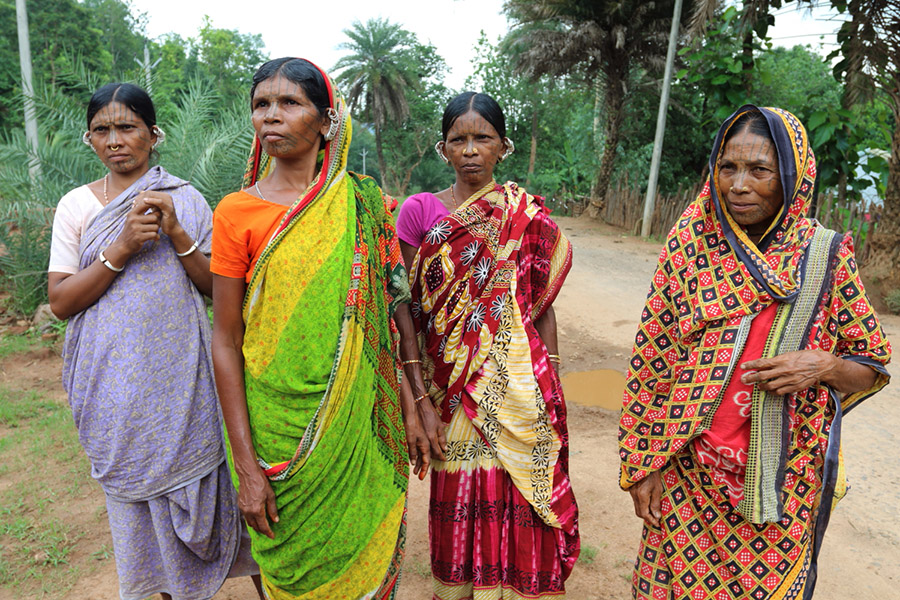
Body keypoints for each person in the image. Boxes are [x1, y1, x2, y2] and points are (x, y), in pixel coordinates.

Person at [618, 105, 891, 600]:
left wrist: (824, 365)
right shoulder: (689, 246)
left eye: (759, 170)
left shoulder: (825, 255)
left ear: (792, 176)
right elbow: (652, 362)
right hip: (687, 476)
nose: (738, 184)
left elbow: (870, 366)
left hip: (780, 489)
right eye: (728, 168)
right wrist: (645, 462)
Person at [210, 57, 439, 599]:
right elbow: (225, 341)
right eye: (261, 104)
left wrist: (411, 396)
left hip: (356, 420)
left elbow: (391, 307)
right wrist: (245, 465)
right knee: (288, 567)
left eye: (290, 103)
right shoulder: (235, 212)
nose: (272, 115)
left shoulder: (363, 205)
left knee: (358, 549)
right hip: (272, 428)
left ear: (327, 120)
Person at [48, 83, 260, 600]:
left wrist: (179, 235)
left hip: (184, 387)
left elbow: (215, 288)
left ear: (152, 134)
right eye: (102, 130)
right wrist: (119, 248)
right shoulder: (76, 207)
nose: (115, 140)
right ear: (89, 138)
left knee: (229, 513)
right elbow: (61, 301)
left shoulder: (185, 198)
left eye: (127, 128)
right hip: (112, 394)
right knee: (142, 531)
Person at [396, 91, 580, 600]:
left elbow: (539, 305)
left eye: (483, 138)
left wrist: (552, 385)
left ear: (504, 147)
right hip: (451, 385)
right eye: (459, 139)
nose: (471, 149)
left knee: (523, 493)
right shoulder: (420, 212)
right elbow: (409, 309)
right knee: (459, 493)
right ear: (443, 148)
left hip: (520, 383)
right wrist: (416, 396)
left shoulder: (526, 216)